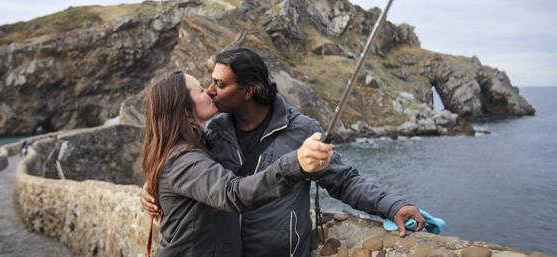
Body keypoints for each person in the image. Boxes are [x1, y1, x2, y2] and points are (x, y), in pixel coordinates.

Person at [142, 48, 426, 257]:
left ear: (249, 90)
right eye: (208, 84)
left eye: (220, 84)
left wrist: (391, 205)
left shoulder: (301, 130)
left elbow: (345, 180)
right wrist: (152, 186)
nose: (212, 91)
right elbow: (190, 172)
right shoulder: (215, 130)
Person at [141, 71, 334, 257]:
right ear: (184, 110)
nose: (209, 91)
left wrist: (151, 185)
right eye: (200, 90)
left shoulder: (198, 145)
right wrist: (295, 162)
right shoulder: (182, 159)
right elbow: (232, 192)